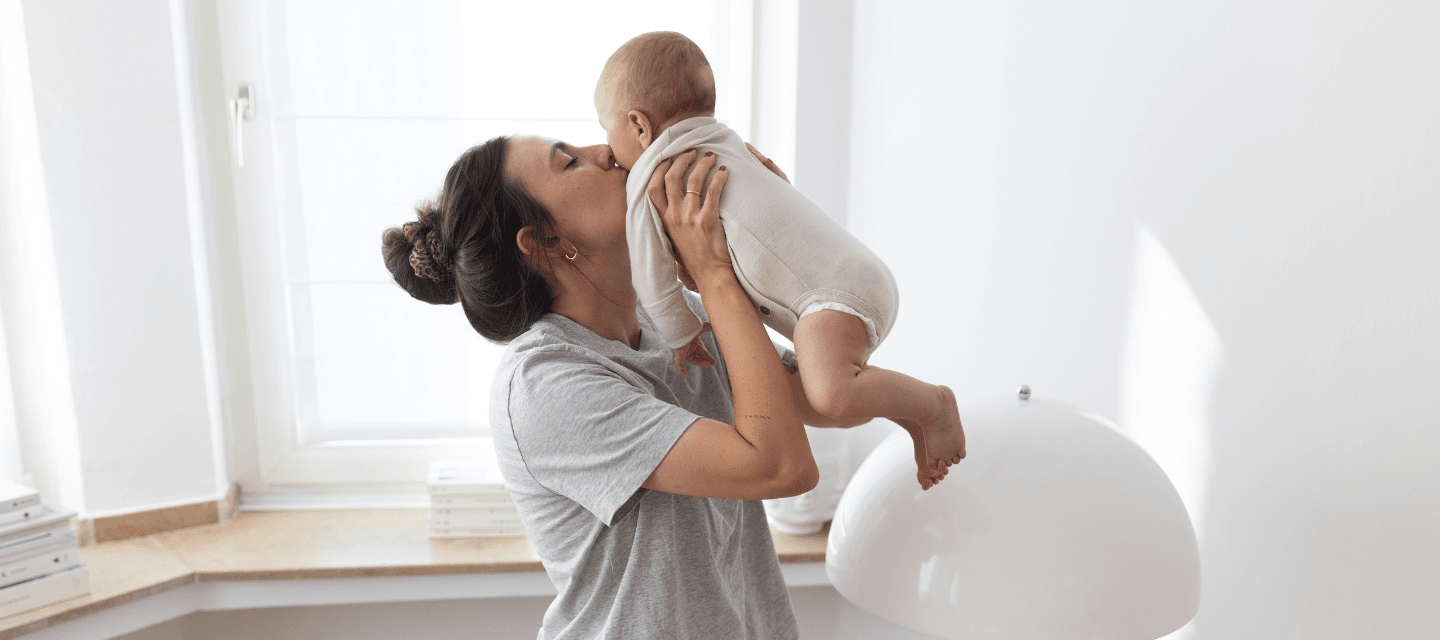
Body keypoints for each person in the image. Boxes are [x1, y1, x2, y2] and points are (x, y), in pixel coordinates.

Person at [382, 138, 900, 638]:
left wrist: (769, 240)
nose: (605, 150)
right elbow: (783, 468)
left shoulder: (674, 316)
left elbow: (833, 402)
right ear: (545, 242)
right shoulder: (544, 385)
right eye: (569, 161)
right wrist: (714, 275)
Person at [595, 31, 965, 488]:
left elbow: (650, 273)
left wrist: (681, 333)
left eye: (605, 129)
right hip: (855, 276)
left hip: (828, 298)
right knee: (826, 398)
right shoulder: (729, 144)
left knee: (833, 395)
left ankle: (933, 405)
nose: (607, 151)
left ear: (638, 125)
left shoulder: (653, 172)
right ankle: (913, 417)